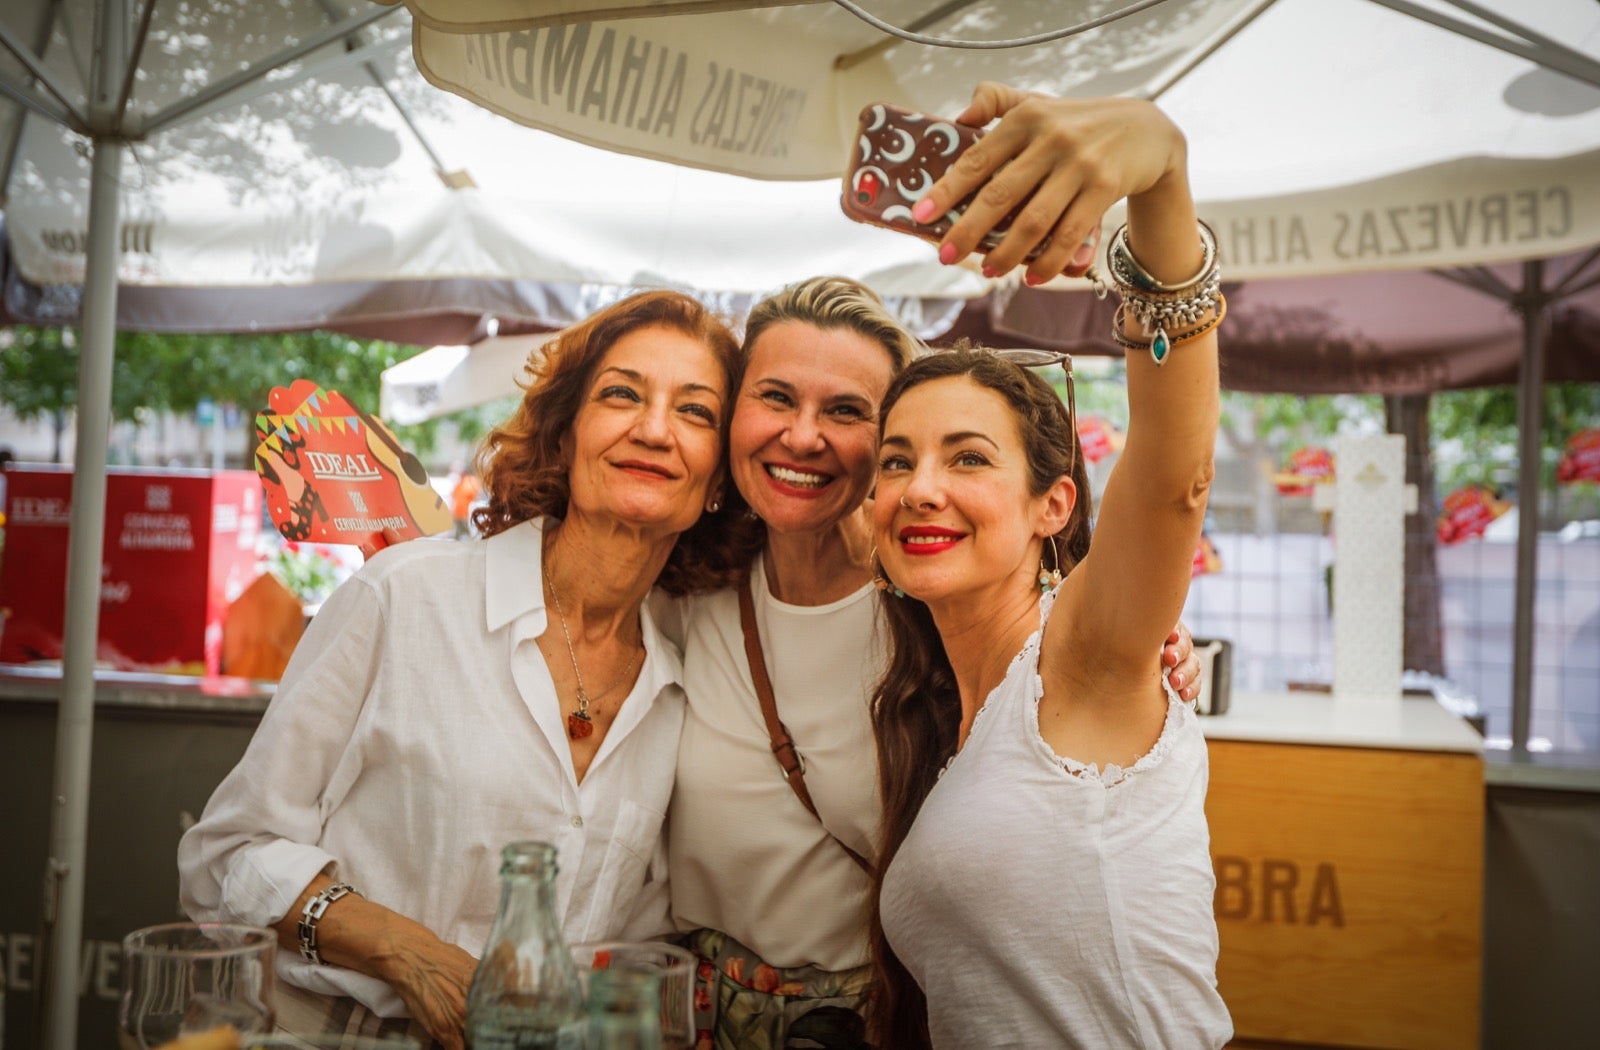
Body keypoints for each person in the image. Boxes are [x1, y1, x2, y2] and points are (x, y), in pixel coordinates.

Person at [178, 290, 745, 1050]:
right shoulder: (404, 597)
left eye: (696, 412)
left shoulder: (682, 688)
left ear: (716, 483)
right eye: (622, 394)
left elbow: (635, 937)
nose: (653, 429)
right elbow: (225, 858)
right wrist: (408, 953)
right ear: (566, 432)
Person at [667, 274, 1206, 1047]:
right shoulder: (687, 587)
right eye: (777, 398)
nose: (804, 435)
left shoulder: (941, 612)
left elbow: (1167, 491)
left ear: (1050, 503)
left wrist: (1140, 641)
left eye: (848, 411)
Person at [867, 86, 1233, 1048]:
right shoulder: (962, 715)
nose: (919, 489)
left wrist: (1161, 167)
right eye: (896, 460)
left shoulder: (1080, 661)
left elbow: (1174, 476)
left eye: (968, 458)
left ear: (1054, 506)